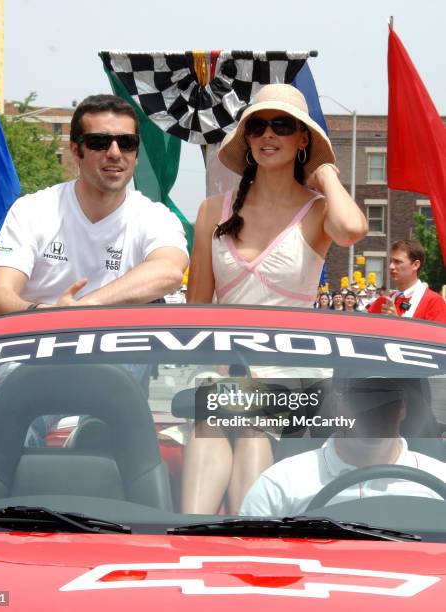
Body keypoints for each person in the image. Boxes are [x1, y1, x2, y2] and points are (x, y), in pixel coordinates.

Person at [182, 84, 367, 514]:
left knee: (249, 422)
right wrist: (216, 363)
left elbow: (352, 229)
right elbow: (196, 311)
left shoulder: (320, 209)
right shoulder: (213, 210)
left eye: (282, 126)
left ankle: (248, 537)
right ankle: (188, 534)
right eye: (257, 127)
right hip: (225, 369)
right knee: (214, 420)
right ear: (245, 139)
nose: (268, 136)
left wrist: (324, 173)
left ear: (302, 139)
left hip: (295, 372)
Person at [0, 95, 189, 318]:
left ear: (136, 154)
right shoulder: (32, 210)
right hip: (41, 343)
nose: (115, 153)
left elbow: (169, 272)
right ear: (75, 150)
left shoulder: (156, 217)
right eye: (99, 142)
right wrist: (49, 314)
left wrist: (83, 307)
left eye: (127, 143)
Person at [240, 378, 446, 517]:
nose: (373, 409)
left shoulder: (441, 480)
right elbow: (248, 557)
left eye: (386, 399)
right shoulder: (282, 483)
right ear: (337, 406)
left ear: (402, 407)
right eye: (361, 399)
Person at [367, 240, 446, 323]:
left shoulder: (434, 302)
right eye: (391, 261)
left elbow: (436, 335)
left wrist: (397, 323)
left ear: (415, 265)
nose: (391, 266)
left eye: (397, 262)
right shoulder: (383, 302)